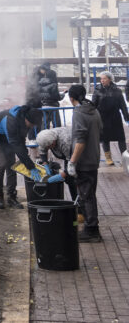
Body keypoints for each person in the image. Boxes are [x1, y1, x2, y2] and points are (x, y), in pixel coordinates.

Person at [0, 104, 42, 209]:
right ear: (26, 118)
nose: (32, 127)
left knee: (12, 165)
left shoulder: (25, 122)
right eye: (32, 124)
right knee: (2, 164)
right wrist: (30, 166)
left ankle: (12, 197)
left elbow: (21, 141)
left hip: (6, 139)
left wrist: (26, 158)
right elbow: (15, 143)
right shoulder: (11, 120)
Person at [64, 84, 103, 242]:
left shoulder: (79, 113)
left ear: (71, 98)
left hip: (84, 162)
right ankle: (92, 228)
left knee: (86, 196)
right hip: (94, 158)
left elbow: (80, 141)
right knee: (89, 195)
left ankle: (91, 230)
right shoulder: (94, 110)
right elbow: (100, 130)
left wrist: (72, 162)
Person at [91, 71, 128, 164]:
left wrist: (126, 116)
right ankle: (108, 158)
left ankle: (125, 158)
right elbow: (93, 105)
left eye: (104, 78)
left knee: (121, 138)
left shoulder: (117, 90)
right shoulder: (97, 90)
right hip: (102, 117)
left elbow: (122, 105)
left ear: (110, 79)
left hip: (115, 117)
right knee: (105, 138)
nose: (102, 80)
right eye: (101, 79)